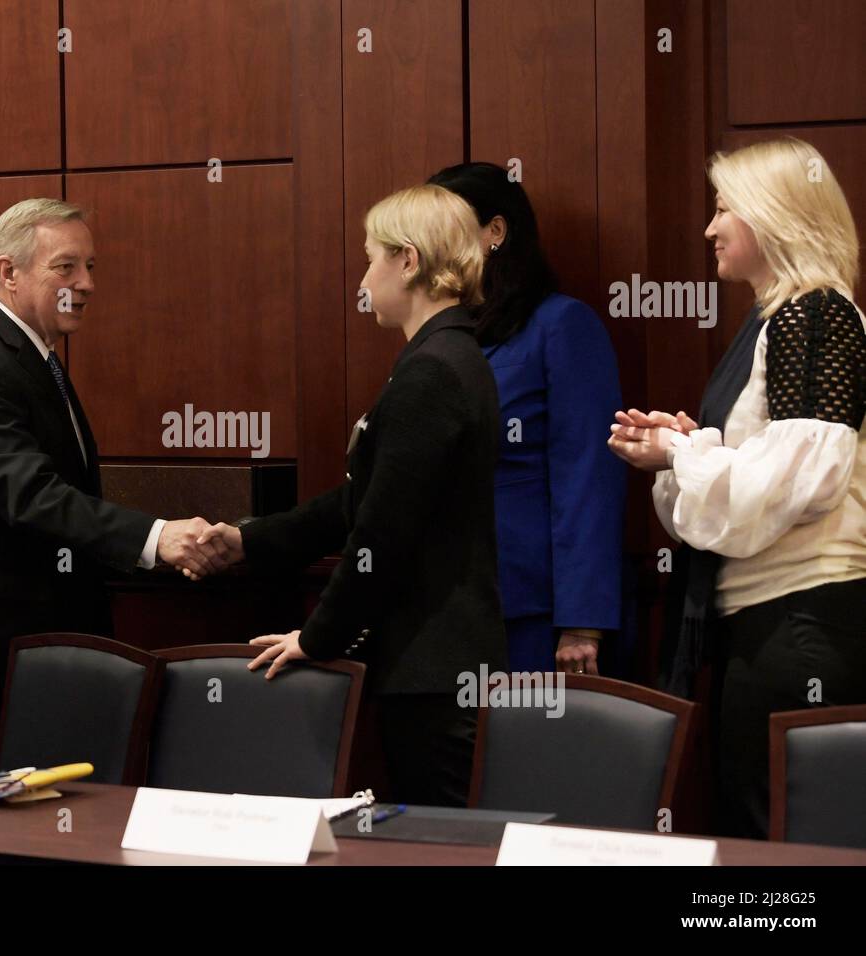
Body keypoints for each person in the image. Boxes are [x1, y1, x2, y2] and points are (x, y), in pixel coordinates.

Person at [202, 184, 509, 806]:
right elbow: (360, 503)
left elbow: (381, 536)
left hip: (432, 666)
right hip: (438, 661)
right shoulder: (447, 355)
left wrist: (316, 637)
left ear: (409, 261)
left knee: (442, 847)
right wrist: (247, 539)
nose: (364, 275)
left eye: (371, 257)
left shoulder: (431, 371)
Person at [0, 198, 229, 773]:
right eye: (66, 267)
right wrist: (159, 539)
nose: (85, 283)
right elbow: (34, 497)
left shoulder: (31, 355)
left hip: (35, 652)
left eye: (90, 267)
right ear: (9, 273)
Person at [609, 137, 866, 838]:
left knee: (787, 846)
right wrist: (685, 451)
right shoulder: (777, 320)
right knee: (762, 834)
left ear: (773, 215)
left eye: (724, 209)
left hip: (802, 625)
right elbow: (759, 482)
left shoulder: (813, 315)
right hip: (771, 627)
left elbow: (794, 485)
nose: (709, 228)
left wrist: (684, 450)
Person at [428, 163, 625, 676]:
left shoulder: (561, 324)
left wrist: (583, 620)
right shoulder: (443, 331)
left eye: (444, 224)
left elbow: (587, 473)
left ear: (495, 231)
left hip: (530, 606)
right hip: (440, 604)